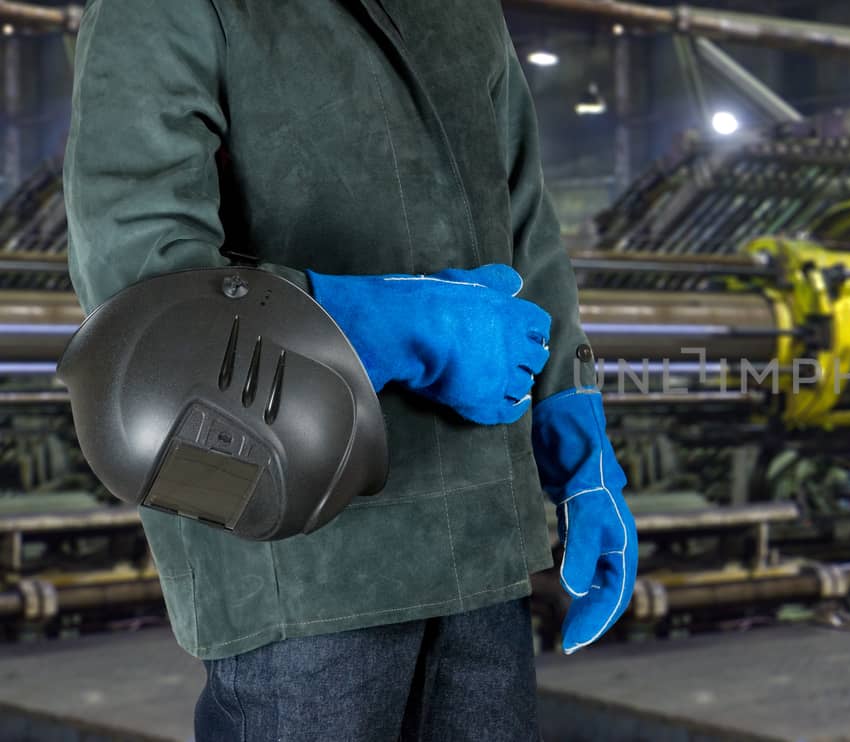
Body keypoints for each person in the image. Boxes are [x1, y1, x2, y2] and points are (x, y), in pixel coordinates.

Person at [63, 0, 637, 738]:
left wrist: (579, 445)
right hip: (300, 556)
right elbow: (138, 291)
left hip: (483, 537)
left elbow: (526, 226)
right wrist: (385, 324)